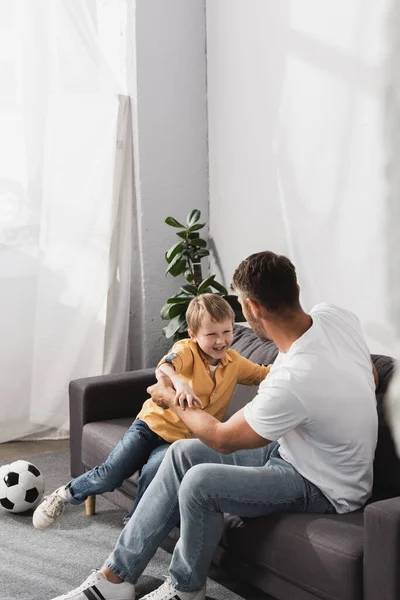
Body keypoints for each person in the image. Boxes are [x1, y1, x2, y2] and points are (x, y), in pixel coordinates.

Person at [47, 250, 379, 600]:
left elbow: (222, 439)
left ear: (251, 308)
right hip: (299, 451)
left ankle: (185, 589)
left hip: (325, 484)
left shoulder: (295, 378)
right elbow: (370, 374)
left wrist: (168, 396)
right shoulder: (334, 316)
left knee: (200, 483)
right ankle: (116, 579)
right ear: (295, 288)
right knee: (180, 454)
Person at [33, 293, 271, 530]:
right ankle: (65, 494)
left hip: (181, 442)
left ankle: (135, 525)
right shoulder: (186, 350)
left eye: (226, 332)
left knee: (154, 473)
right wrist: (180, 383)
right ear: (193, 335)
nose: (221, 341)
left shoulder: (235, 363)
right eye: (211, 334)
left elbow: (263, 373)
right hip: (150, 426)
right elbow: (164, 367)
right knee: (112, 474)